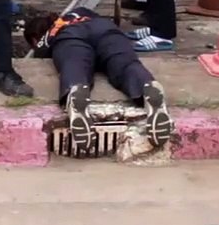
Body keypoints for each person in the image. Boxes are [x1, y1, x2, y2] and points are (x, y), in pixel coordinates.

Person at [24, 8, 173, 150]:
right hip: (106, 30)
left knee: (74, 64)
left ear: (35, 38)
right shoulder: (78, 12)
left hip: (71, 36)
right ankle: (145, 85)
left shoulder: (50, 34)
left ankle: (74, 89)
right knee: (125, 63)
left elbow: (41, 53)